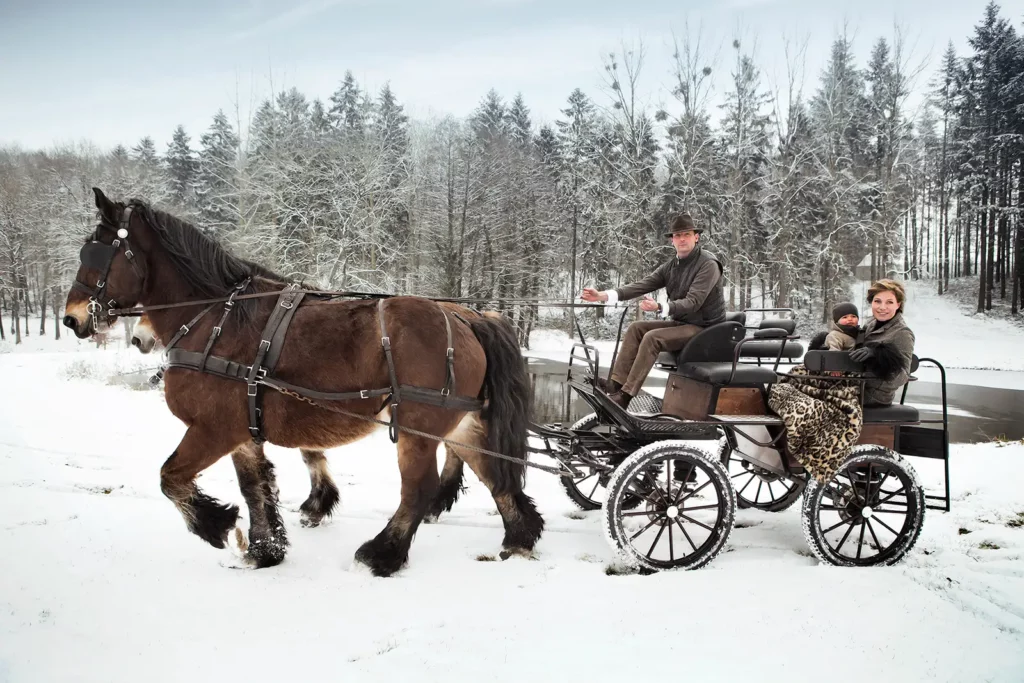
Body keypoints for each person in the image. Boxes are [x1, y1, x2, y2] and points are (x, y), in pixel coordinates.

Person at [580, 214, 726, 409]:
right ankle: (615, 385)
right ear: (672, 240)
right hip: (683, 324)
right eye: (677, 235)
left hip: (707, 329)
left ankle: (625, 396)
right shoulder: (672, 267)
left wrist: (660, 307)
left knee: (652, 338)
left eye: (687, 234)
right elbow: (642, 285)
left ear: (696, 237)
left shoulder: (708, 264)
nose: (682, 239)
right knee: (636, 328)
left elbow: (693, 302)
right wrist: (603, 296)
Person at [848, 279, 915, 406]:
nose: (882, 307)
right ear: (871, 302)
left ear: (898, 305)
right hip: (854, 387)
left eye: (889, 302)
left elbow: (902, 377)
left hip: (874, 396)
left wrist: (879, 355)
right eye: (877, 301)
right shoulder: (870, 323)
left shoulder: (902, 333)